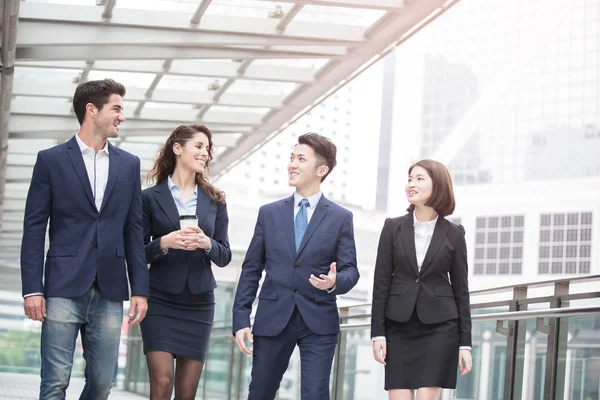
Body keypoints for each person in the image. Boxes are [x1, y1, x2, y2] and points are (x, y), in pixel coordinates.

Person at [20, 79, 149, 399]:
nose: (122, 116)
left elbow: (133, 228)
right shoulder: (50, 160)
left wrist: (140, 290)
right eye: (116, 108)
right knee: (55, 381)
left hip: (110, 287)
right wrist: (32, 288)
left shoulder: (129, 164)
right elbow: (34, 227)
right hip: (63, 285)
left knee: (103, 381)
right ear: (92, 110)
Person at [232, 133, 359, 400]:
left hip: (319, 321)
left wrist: (334, 282)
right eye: (292, 158)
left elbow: (351, 271)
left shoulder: (340, 217)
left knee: (315, 395)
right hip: (272, 317)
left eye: (301, 159)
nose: (292, 164)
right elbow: (251, 269)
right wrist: (241, 319)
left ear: (321, 170)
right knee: (260, 393)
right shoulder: (269, 213)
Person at [140, 124, 232, 400]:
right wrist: (164, 243)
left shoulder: (215, 200)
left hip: (199, 302)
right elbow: (137, 252)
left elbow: (225, 255)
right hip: (159, 299)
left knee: (186, 394)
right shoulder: (149, 198)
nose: (205, 153)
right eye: (199, 146)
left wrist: (207, 243)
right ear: (177, 148)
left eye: (207, 149)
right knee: (162, 382)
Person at [371, 159, 473, 400]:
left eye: (419, 179)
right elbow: (381, 283)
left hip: (440, 328)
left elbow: (461, 290)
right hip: (399, 326)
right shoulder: (392, 227)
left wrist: (464, 345)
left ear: (437, 185)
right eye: (409, 179)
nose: (411, 184)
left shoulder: (454, 234)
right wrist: (378, 334)